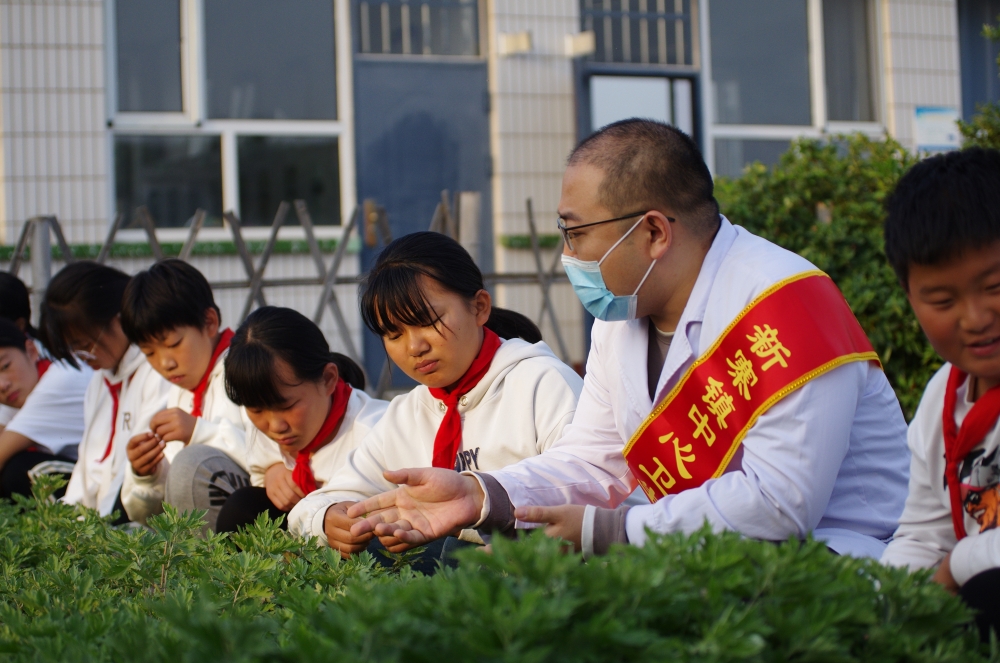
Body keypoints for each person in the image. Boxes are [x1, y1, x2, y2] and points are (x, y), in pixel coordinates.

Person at [346, 119, 911, 560]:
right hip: (698, 559)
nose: (567, 256)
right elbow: (593, 461)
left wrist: (615, 531)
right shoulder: (622, 318)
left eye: (577, 233)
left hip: (828, 564)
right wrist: (482, 494)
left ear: (654, 232)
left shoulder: (785, 304)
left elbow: (780, 503)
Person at [290, 231, 584, 559]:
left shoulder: (542, 385)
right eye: (394, 333)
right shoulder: (405, 416)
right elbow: (324, 500)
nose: (415, 347)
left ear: (479, 308)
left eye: (428, 321)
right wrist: (328, 518)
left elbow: (596, 498)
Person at [880, 148, 1000, 639]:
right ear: (911, 298)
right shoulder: (943, 397)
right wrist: (883, 605)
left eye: (994, 286)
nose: (974, 319)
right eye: (942, 300)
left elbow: (952, 563)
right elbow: (922, 532)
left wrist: (955, 567)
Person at [215, 306, 387, 534]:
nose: (276, 426)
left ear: (328, 379)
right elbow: (259, 467)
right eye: (256, 410)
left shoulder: (377, 432)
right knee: (244, 507)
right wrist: (272, 472)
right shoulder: (265, 430)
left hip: (360, 553)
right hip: (301, 545)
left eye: (287, 406)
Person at [118, 259, 250, 529]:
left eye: (173, 344)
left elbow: (272, 459)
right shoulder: (180, 393)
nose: (165, 363)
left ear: (209, 322)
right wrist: (147, 474)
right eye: (149, 353)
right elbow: (144, 513)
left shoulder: (246, 369)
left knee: (191, 463)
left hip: (256, 524)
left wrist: (197, 432)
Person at [39, 261, 171, 521]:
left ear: (120, 320)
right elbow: (87, 467)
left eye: (85, 345)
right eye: (73, 351)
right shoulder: (100, 381)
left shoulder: (156, 372)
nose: (82, 358)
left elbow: (135, 471)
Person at [0, 318, 91, 499]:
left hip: (113, 481)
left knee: (19, 470)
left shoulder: (59, 381)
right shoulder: (22, 390)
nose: (3, 384)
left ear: (31, 351)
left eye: (5, 366)